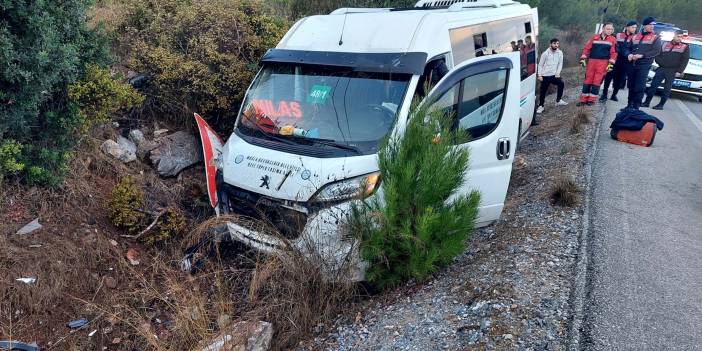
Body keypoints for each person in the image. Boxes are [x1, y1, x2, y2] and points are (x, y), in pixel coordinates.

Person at [642, 30, 689, 110]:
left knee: (667, 89)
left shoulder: (684, 47)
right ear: (674, 36)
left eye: (681, 37)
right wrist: (660, 62)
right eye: (678, 36)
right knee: (653, 86)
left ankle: (661, 105)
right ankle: (647, 102)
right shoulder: (664, 44)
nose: (679, 38)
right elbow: (657, 54)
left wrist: (679, 71)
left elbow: (685, 60)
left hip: (672, 71)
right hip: (661, 68)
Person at [577, 22, 617, 106]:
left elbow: (614, 53)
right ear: (603, 28)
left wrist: (611, 64)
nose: (610, 31)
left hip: (603, 63)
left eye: (611, 29)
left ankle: (591, 100)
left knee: (597, 81)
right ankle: (583, 99)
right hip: (592, 61)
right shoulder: (594, 37)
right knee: (588, 80)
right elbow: (587, 48)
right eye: (608, 29)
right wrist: (583, 58)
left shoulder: (613, 39)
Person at [626, 17, 662, 109]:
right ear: (644, 26)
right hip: (632, 64)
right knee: (631, 86)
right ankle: (629, 105)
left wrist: (642, 56)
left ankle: (636, 106)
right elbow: (627, 48)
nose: (652, 27)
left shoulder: (655, 38)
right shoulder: (635, 36)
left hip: (644, 65)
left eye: (653, 25)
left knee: (639, 87)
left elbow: (656, 51)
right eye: (650, 25)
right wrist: (629, 54)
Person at [600, 21, 637, 102]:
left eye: (635, 27)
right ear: (627, 27)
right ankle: (604, 94)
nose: (634, 29)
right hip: (615, 60)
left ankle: (614, 95)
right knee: (609, 77)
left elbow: (635, 49)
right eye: (632, 27)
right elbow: (611, 44)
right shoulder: (618, 35)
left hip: (626, 62)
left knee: (620, 79)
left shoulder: (635, 37)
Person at [536, 38, 568, 117]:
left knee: (561, 83)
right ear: (550, 44)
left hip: (554, 75)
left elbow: (560, 64)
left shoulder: (560, 53)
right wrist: (539, 75)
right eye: (554, 43)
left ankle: (558, 101)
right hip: (545, 75)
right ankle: (541, 106)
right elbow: (540, 65)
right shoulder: (545, 53)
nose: (556, 45)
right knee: (543, 91)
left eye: (557, 43)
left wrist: (558, 73)